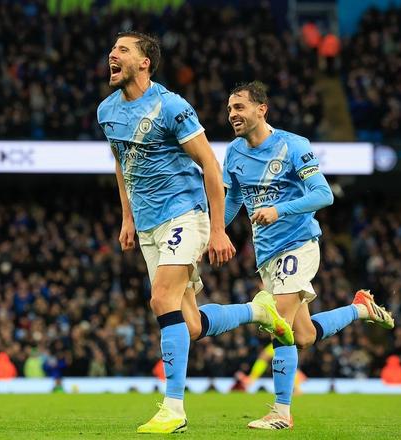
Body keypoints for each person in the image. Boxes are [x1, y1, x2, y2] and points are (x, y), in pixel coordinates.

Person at [97, 32, 292, 434]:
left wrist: (218, 229)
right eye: (113, 49)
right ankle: (259, 311)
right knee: (189, 325)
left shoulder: (171, 106)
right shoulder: (107, 111)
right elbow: (122, 163)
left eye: (122, 50)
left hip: (183, 213)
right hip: (147, 223)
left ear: (145, 62)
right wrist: (127, 218)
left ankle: (174, 408)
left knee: (160, 299)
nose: (112, 54)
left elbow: (210, 164)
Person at [223, 81, 395, 429]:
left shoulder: (293, 145)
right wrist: (213, 232)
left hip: (298, 244)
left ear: (261, 109)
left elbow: (323, 194)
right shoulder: (233, 152)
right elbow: (234, 199)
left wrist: (279, 210)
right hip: (266, 255)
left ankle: (281, 413)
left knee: (278, 324)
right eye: (229, 109)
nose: (232, 114)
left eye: (239, 107)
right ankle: (360, 308)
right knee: (303, 336)